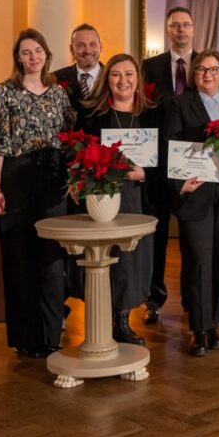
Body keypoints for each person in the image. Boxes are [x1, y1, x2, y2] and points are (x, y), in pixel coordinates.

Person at [0, 28, 72, 358]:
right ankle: (26, 337)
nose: (33, 57)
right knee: (18, 257)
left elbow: (69, 141)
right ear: (18, 58)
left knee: (51, 259)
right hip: (15, 176)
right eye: (26, 52)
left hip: (53, 178)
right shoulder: (3, 92)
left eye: (38, 50)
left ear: (46, 55)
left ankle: (51, 333)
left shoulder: (59, 93)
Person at [164, 50, 219, 356]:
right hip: (196, 191)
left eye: (213, 69)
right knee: (199, 260)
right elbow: (169, 146)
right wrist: (179, 184)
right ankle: (198, 328)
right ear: (193, 74)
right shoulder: (179, 104)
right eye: (201, 69)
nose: (208, 74)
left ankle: (214, 324)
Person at [77, 53, 160, 346]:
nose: (123, 81)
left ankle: (122, 321)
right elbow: (81, 156)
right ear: (106, 79)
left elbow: (165, 159)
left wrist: (145, 173)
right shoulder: (93, 116)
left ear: (138, 79)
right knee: (107, 256)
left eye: (128, 74)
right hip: (104, 197)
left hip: (139, 197)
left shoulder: (152, 114)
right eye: (115, 74)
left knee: (131, 260)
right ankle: (103, 316)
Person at [140, 6, 198, 325]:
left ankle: (192, 299)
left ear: (193, 29)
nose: (181, 30)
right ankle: (154, 298)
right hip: (159, 164)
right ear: (167, 30)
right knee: (157, 235)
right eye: (175, 25)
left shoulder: (205, 64)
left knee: (193, 237)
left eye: (186, 25)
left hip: (195, 162)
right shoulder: (149, 67)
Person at [53, 23, 103, 126]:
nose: (88, 50)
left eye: (92, 44)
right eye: (80, 45)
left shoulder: (114, 78)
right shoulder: (55, 79)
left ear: (100, 47)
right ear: (72, 49)